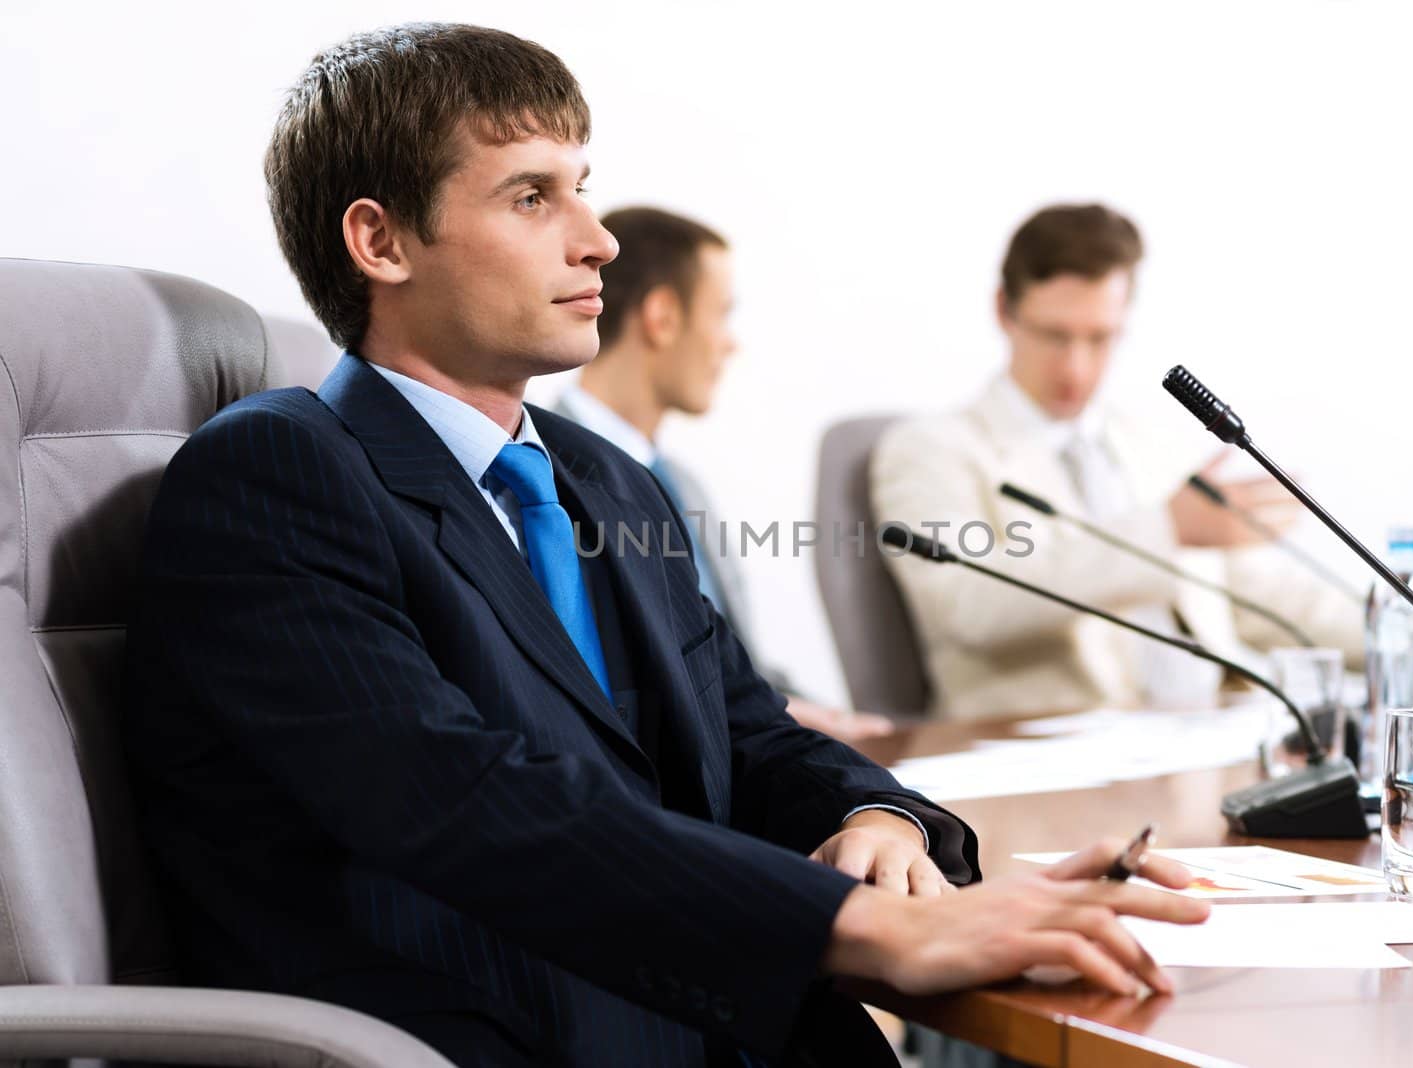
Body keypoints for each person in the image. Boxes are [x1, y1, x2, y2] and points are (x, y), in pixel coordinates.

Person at [122, 26, 1207, 1068]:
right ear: (380, 241)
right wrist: (867, 932)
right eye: (531, 195)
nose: (597, 239)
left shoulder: (601, 480)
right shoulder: (276, 477)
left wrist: (876, 820)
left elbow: (753, 735)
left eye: (582, 187)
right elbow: (476, 806)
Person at [871, 204, 1413, 722]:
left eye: (1101, 337)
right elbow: (966, 604)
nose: (1077, 365)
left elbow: (1264, 595)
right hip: (1045, 754)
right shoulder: (931, 447)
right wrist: (1163, 530)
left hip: (1207, 741)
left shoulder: (1147, 442)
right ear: (1004, 311)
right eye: (1056, 335)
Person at [560, 205, 891, 742]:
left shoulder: (681, 482)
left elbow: (735, 660)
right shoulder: (543, 479)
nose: (730, 343)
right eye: (722, 313)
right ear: (662, 317)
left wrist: (825, 722)